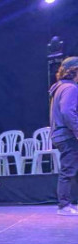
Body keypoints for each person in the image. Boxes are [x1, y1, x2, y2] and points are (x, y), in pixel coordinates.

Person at [49, 56, 78, 216]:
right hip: (67, 135)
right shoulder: (71, 88)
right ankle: (64, 205)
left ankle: (67, 203)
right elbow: (67, 111)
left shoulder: (59, 87)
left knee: (72, 168)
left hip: (60, 134)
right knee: (68, 170)